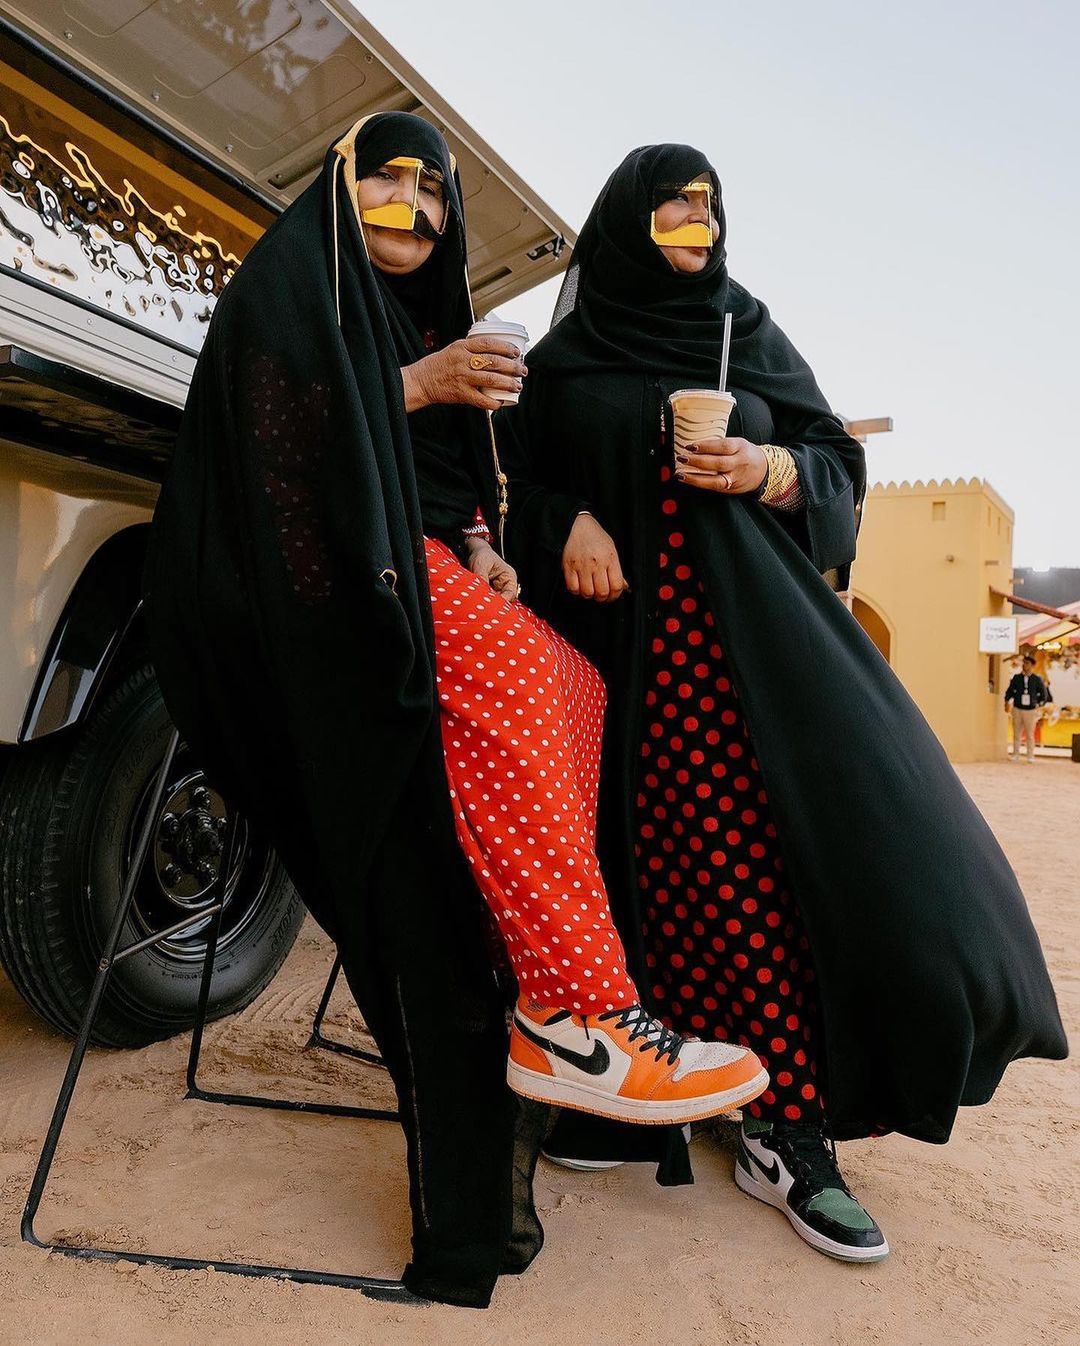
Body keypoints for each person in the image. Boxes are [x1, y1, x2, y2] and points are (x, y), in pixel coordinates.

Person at [142, 117, 765, 1306]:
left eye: (432, 188)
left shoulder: (417, 322)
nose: (412, 201)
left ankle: (542, 975)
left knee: (576, 681)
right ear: (340, 185)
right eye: (385, 175)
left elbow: (429, 489)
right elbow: (268, 442)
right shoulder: (292, 283)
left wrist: (482, 544)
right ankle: (582, 1007)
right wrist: (423, 386)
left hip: (400, 576)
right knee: (524, 676)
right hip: (285, 600)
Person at [497, 144, 1067, 1264]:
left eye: (708, 206)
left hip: (749, 662)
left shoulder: (743, 328)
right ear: (624, 222)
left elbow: (833, 457)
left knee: (766, 870)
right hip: (611, 662)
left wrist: (769, 470)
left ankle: (787, 1125)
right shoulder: (564, 360)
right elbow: (512, 482)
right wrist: (566, 520)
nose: (695, 221)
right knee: (626, 870)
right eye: (672, 205)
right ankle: (634, 1099)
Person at [1005, 654, 1050, 763]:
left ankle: (1030, 755)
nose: (1025, 665)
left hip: (1030, 709)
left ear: (1032, 666)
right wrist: (1007, 701)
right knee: (1016, 733)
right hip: (1017, 708)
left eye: (1027, 663)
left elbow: (1044, 693)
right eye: (1024, 663)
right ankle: (1015, 754)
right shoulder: (1016, 678)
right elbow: (1010, 691)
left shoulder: (1036, 679)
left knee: (1030, 734)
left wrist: (1039, 703)